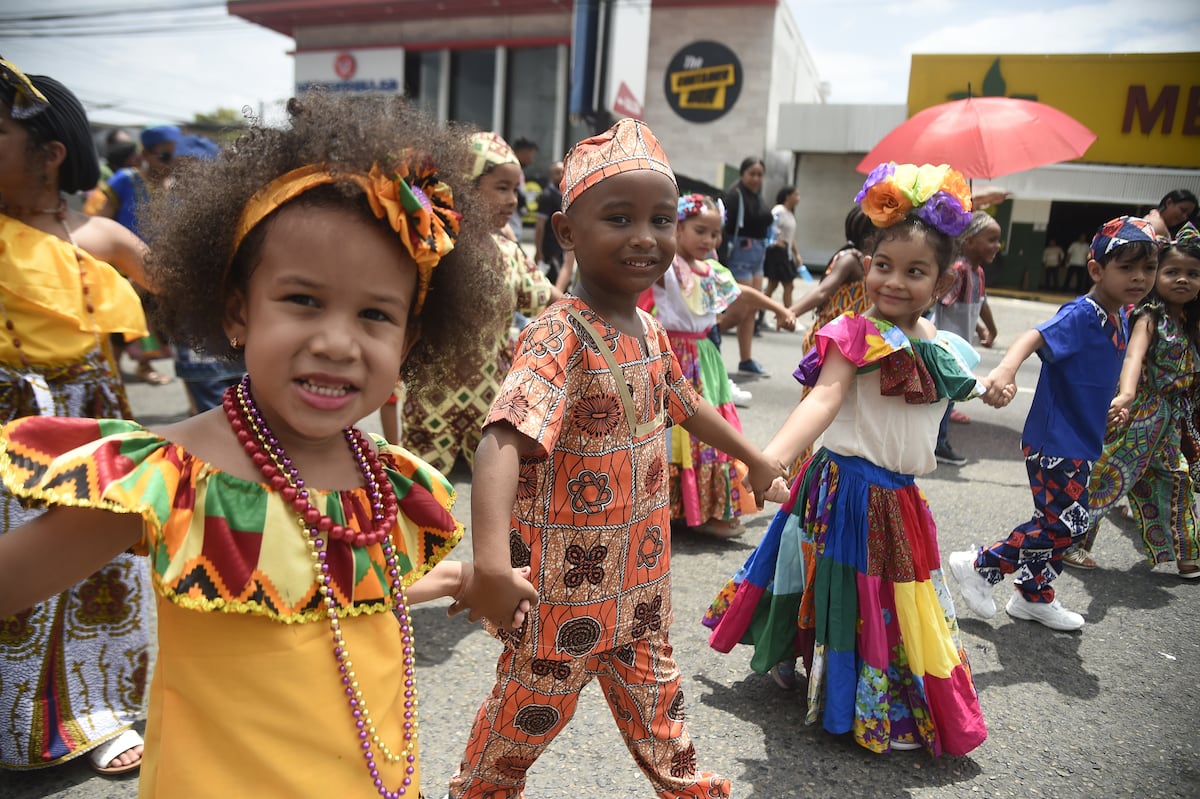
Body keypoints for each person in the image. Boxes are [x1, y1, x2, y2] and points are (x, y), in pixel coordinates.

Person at [0, 90, 531, 797]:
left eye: (375, 314)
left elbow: (328, 591)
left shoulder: (387, 482)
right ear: (236, 311)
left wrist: (464, 579)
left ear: (408, 342)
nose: (337, 341)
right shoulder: (170, 479)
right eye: (303, 300)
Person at [448, 118, 783, 798]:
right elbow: (500, 440)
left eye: (660, 219)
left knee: (667, 731)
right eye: (619, 217)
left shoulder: (651, 329)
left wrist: (753, 457)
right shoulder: (558, 334)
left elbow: (685, 402)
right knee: (514, 735)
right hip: (558, 601)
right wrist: (492, 564)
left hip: (640, 592)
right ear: (567, 232)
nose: (645, 236)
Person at [703, 162, 992, 756]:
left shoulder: (945, 348)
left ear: (943, 283)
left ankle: (871, 694)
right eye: (884, 265)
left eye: (915, 271)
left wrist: (1001, 381)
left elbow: (969, 390)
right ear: (866, 263)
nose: (894, 281)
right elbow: (825, 398)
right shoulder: (853, 332)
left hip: (898, 496)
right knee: (827, 580)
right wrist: (772, 457)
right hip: (842, 485)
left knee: (890, 597)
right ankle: (810, 667)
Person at [0, 57, 155, 778]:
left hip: (91, 427)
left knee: (98, 571)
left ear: (51, 153)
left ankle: (98, 712)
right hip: (8, 431)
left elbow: (210, 297)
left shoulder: (103, 239)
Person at [949, 215, 1159, 631]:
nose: (1139, 277)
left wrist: (1117, 400)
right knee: (1066, 523)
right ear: (1096, 269)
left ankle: (1033, 595)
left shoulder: (1118, 315)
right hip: (1055, 441)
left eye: (1148, 268)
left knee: (1062, 523)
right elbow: (1034, 336)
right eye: (1127, 267)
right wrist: (1006, 370)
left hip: (1081, 439)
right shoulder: (1084, 313)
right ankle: (981, 565)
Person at [402, 131, 557, 475]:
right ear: (464, 187)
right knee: (421, 496)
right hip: (429, 411)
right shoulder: (431, 248)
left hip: (492, 412)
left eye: (515, 189)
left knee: (495, 497)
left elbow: (548, 299)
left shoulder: (508, 252)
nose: (513, 200)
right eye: (502, 188)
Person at [645, 193, 795, 538]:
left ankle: (708, 510)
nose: (709, 240)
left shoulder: (712, 271)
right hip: (673, 353)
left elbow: (744, 293)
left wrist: (779, 309)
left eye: (715, 234)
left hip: (705, 357)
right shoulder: (668, 268)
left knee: (710, 431)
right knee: (674, 431)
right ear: (677, 228)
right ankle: (672, 508)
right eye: (700, 231)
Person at [1064, 222, 1200, 575]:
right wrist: (1126, 393)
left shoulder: (1190, 322)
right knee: (1108, 475)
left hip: (1171, 418)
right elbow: (1133, 358)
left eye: (1193, 274)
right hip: (1140, 413)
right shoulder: (1149, 316)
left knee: (1177, 479)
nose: (1182, 280)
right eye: (1172, 272)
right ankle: (1073, 542)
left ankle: (1187, 554)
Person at [91, 123, 181, 385]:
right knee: (119, 322)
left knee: (151, 321)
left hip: (159, 267)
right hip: (121, 268)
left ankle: (144, 365)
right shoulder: (125, 180)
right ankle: (110, 373)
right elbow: (100, 221)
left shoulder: (176, 186)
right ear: (145, 154)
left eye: (175, 155)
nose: (172, 162)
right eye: (164, 155)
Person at [166, 133, 246, 414]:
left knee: (237, 406)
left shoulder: (235, 209)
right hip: (198, 331)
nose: (186, 176)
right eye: (180, 167)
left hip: (228, 328)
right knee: (216, 408)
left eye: (195, 168)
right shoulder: (174, 206)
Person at [931, 211, 1001, 465]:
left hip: (961, 346)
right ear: (969, 241)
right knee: (945, 397)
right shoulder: (958, 270)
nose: (997, 246)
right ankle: (937, 443)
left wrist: (987, 329)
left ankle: (935, 441)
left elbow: (979, 304)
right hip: (946, 345)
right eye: (991, 240)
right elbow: (938, 301)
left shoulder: (977, 271)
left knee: (947, 397)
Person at [719, 156, 774, 375]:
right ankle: (706, 335)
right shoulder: (734, 197)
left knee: (751, 310)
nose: (756, 178)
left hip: (758, 257)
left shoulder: (757, 197)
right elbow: (722, 228)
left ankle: (746, 359)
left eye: (760, 174)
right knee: (738, 312)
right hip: (740, 256)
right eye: (752, 174)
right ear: (742, 174)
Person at [762, 184, 806, 310]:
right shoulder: (779, 211)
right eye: (796, 194)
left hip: (785, 253)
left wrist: (796, 254)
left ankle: (759, 311)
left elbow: (790, 237)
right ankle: (789, 314)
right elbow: (770, 228)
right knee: (788, 285)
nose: (798, 198)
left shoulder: (789, 213)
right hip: (777, 252)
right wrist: (775, 242)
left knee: (773, 285)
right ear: (788, 196)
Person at [534, 159, 565, 284]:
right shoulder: (547, 195)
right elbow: (540, 226)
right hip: (549, 249)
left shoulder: (563, 194)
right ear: (551, 176)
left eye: (563, 172)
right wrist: (539, 251)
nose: (561, 175)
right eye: (557, 173)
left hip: (561, 248)